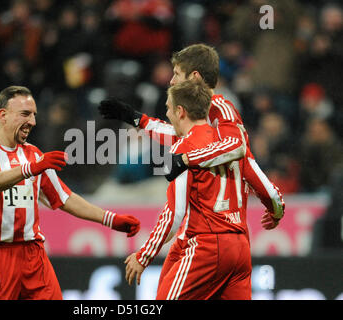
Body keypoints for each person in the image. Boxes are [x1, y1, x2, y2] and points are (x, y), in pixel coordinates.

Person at [99, 44, 285, 299]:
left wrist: (186, 159)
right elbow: (246, 161)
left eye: (177, 73)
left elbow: (236, 148)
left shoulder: (220, 110)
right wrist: (135, 118)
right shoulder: (209, 130)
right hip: (238, 241)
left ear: (194, 77)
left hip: (205, 240)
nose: (172, 79)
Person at [0, 86, 140, 300]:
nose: (33, 122)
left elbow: (64, 198)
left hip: (33, 255)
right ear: (3, 115)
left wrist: (111, 219)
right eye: (25, 114)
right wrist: (30, 169)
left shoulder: (34, 154)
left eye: (34, 115)